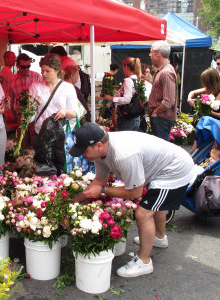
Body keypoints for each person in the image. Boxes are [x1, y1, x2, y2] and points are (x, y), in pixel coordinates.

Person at [70, 123, 194, 278]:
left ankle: (144, 262)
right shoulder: (101, 152)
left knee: (143, 213)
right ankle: (159, 238)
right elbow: (99, 180)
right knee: (155, 203)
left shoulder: (124, 154)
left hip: (175, 170)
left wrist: (102, 192)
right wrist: (75, 200)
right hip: (161, 167)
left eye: (84, 151)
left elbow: (135, 192)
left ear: (99, 145)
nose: (82, 155)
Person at [29, 53, 78, 146]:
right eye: (42, 70)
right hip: (41, 135)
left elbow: (75, 114)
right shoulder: (35, 87)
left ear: (57, 70)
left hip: (61, 136)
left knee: (60, 161)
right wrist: (25, 115)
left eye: (48, 71)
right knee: (40, 161)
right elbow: (31, 115)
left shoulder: (68, 88)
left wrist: (65, 111)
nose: (44, 74)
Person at [147, 41, 177, 141]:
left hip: (161, 118)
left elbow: (168, 101)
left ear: (158, 53)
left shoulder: (166, 72)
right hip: (160, 118)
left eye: (151, 52)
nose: (150, 55)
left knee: (161, 150)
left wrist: (155, 112)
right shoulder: (163, 71)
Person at [103, 57, 142, 131]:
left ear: (126, 66)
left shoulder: (128, 80)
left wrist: (111, 98)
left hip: (127, 117)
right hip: (135, 117)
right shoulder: (137, 79)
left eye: (123, 66)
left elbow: (127, 99)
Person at [187, 67, 220, 153]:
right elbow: (192, 92)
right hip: (205, 124)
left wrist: (208, 112)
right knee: (196, 149)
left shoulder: (218, 92)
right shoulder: (209, 89)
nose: (204, 85)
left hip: (215, 127)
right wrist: (189, 99)